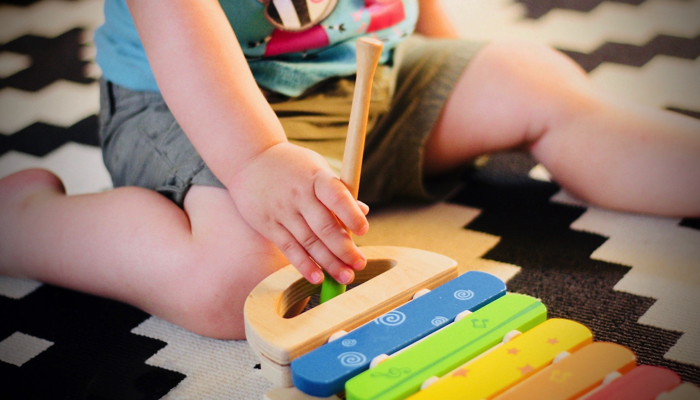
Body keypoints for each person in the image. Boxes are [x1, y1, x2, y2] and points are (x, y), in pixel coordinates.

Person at [0, 0, 698, 340]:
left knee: (530, 77)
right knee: (237, 284)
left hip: (368, 76)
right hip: (199, 104)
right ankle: (31, 226)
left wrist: (452, 62)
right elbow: (178, 24)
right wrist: (257, 161)